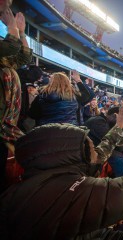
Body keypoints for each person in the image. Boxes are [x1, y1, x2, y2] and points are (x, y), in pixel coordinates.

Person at [0, 101, 123, 240]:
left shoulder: (50, 176)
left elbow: (101, 235)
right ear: (69, 155)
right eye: (88, 144)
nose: (95, 146)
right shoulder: (69, 192)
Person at [0, 0, 33, 191]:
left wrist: (20, 32)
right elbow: (10, 48)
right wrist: (12, 28)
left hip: (4, 127)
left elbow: (24, 57)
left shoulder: (5, 62)